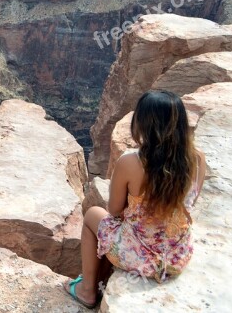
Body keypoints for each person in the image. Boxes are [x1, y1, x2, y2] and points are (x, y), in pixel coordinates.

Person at [64, 90, 207, 308]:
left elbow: (114, 210)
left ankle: (87, 291)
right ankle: (98, 283)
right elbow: (189, 203)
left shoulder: (131, 162)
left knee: (93, 214)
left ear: (142, 125)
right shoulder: (197, 158)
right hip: (177, 257)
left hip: (141, 258)